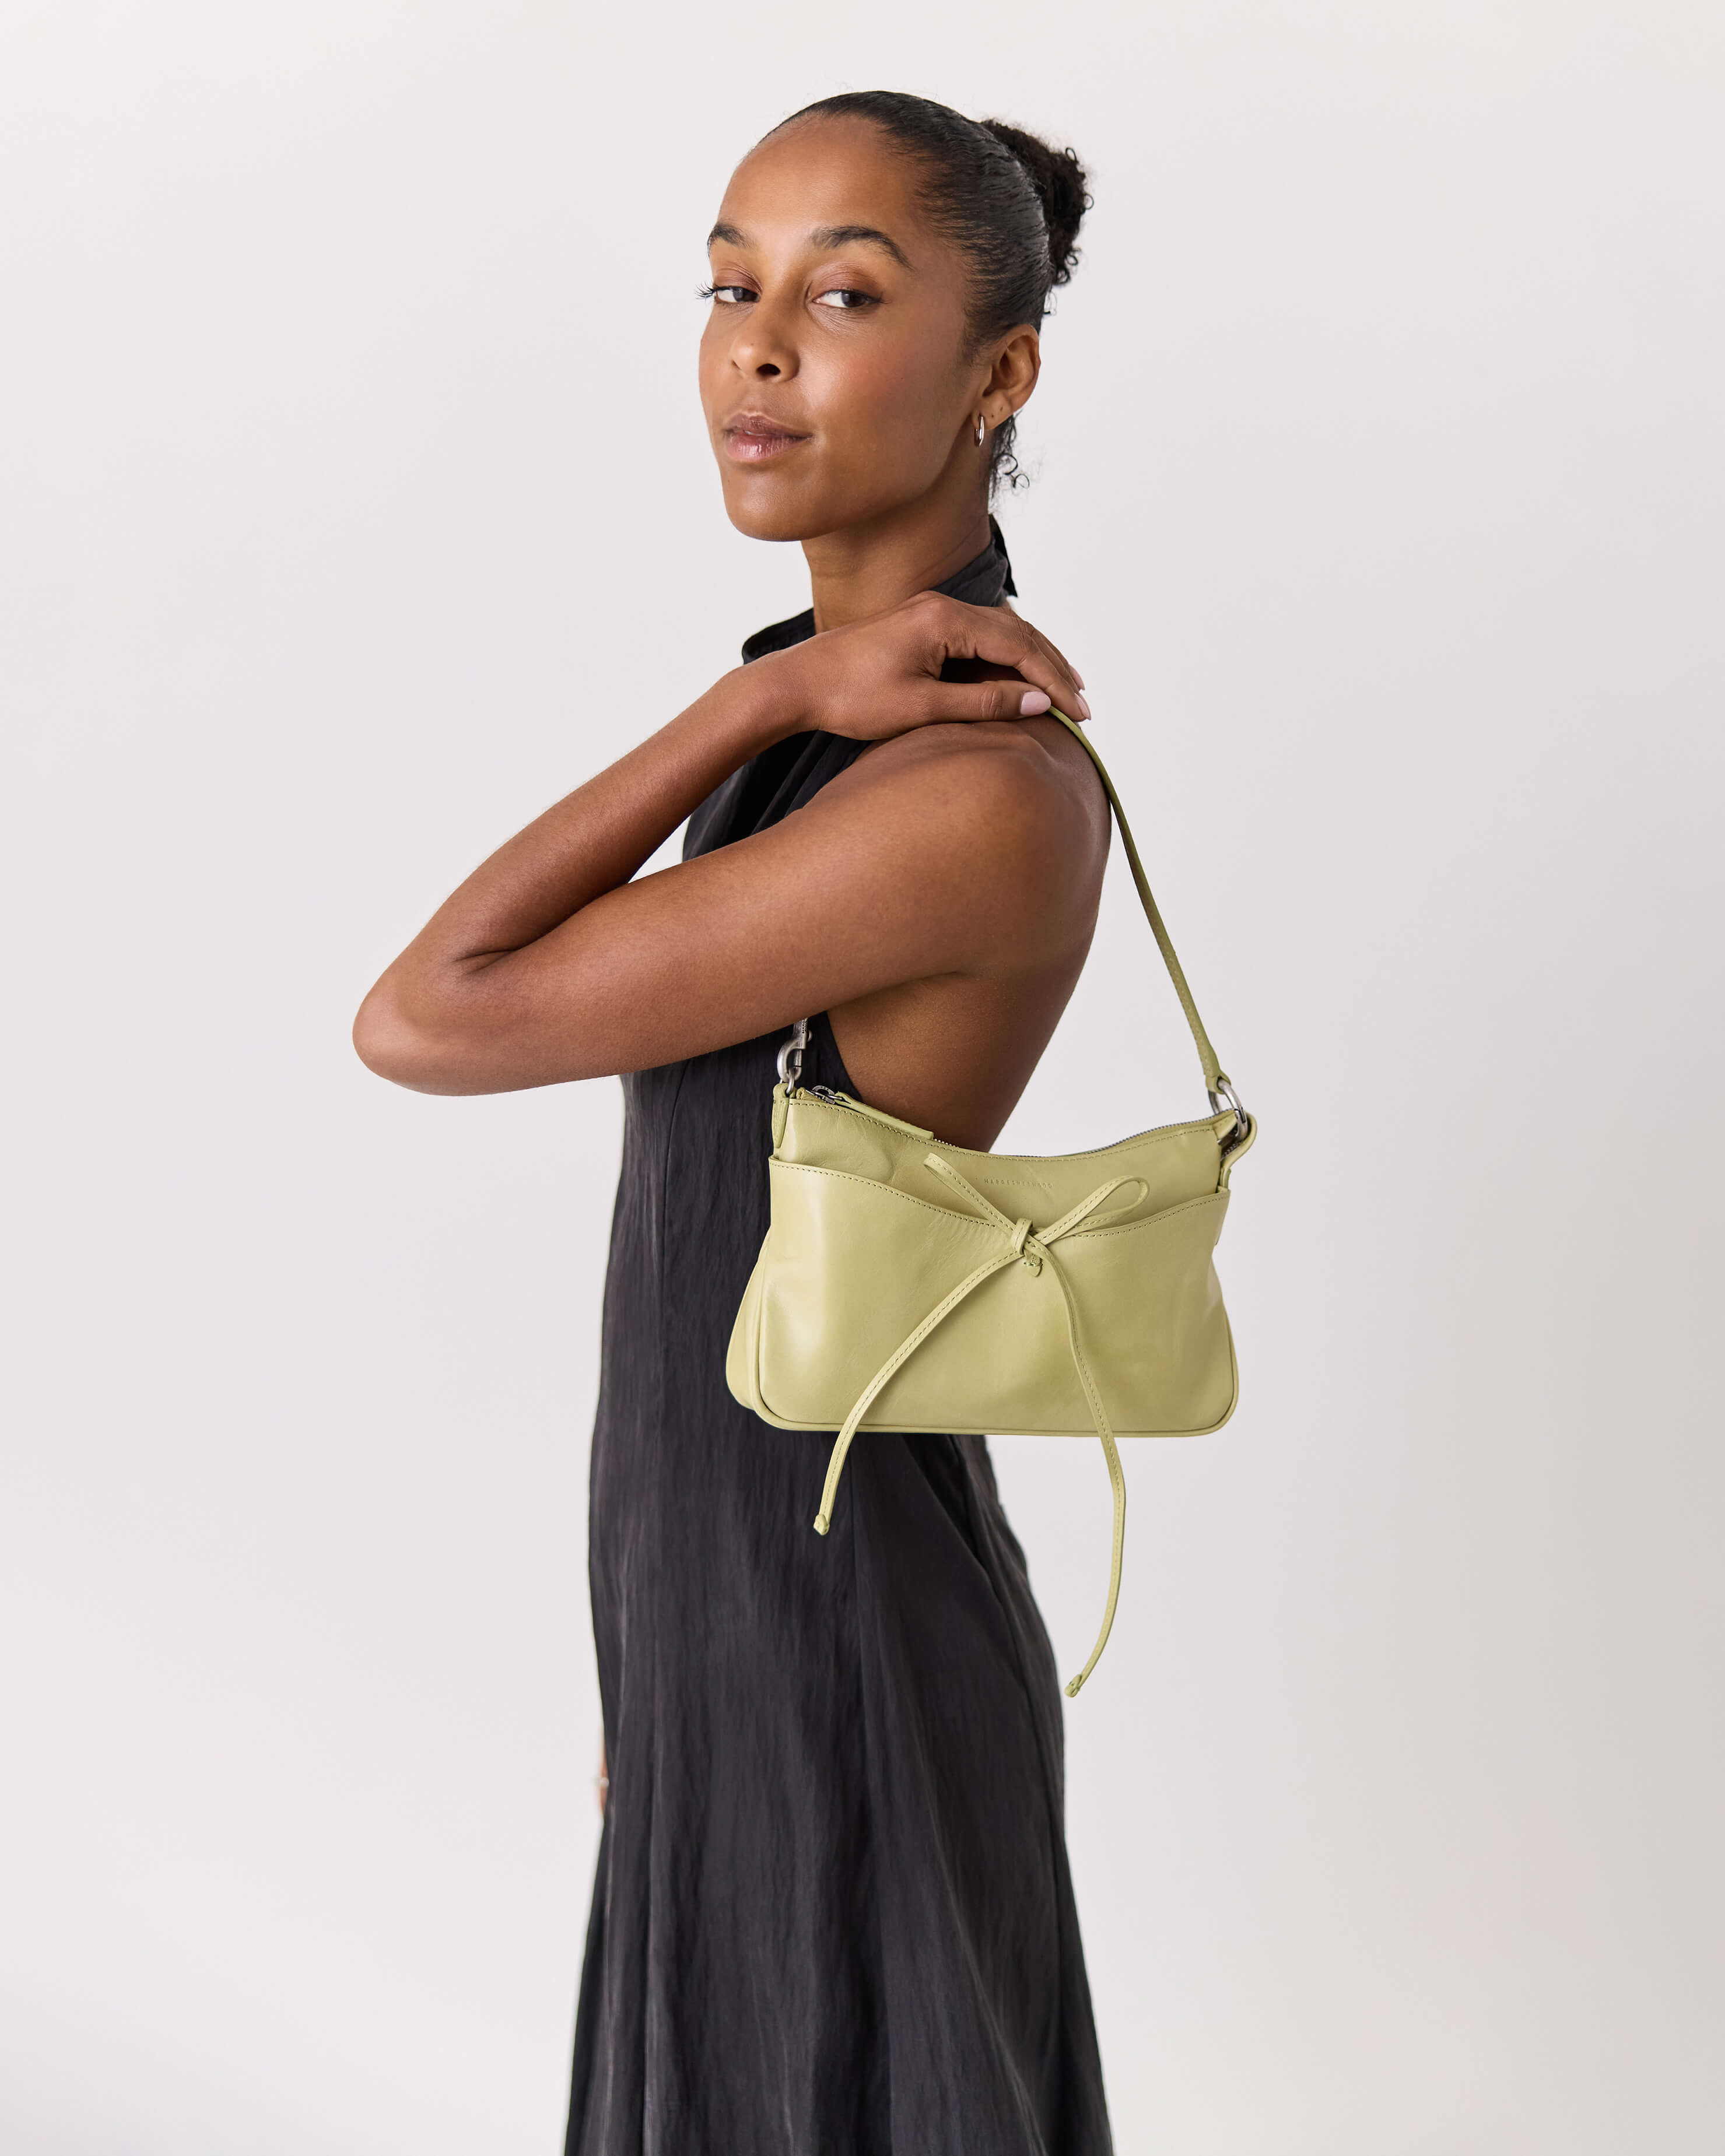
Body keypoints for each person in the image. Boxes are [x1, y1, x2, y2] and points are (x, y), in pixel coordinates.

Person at [356, 89, 1116, 2156]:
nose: (757, 348)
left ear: (1001, 374)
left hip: (838, 1637)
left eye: (843, 296)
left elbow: (428, 1014)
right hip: (735, 1614)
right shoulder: (840, 733)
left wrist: (763, 697)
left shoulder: (963, 790)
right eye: (727, 287)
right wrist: (651, 1650)